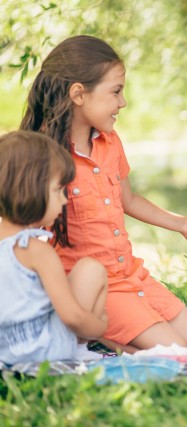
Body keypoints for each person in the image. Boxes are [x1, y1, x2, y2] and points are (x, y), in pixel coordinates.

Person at [20, 35, 187, 353]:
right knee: (181, 354)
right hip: (93, 289)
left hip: (131, 274)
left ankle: (112, 340)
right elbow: (25, 231)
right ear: (78, 94)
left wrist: (180, 224)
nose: (122, 102)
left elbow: (129, 199)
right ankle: (98, 335)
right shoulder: (44, 156)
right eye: (116, 92)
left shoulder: (110, 143)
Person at [0, 131, 108, 364]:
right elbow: (72, 316)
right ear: (32, 190)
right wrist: (99, 327)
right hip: (45, 350)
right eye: (58, 190)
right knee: (91, 269)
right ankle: (79, 349)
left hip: (5, 353)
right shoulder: (36, 250)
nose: (64, 200)